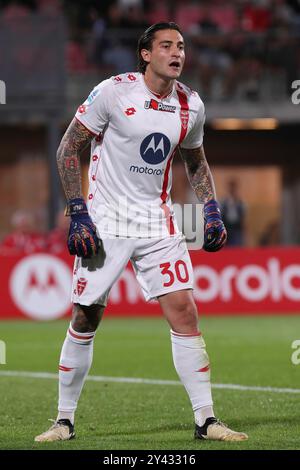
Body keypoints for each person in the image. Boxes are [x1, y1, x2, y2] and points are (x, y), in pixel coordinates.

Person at [35, 22, 247, 443]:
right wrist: (77, 210)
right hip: (105, 219)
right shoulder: (113, 91)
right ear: (146, 54)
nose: (177, 52)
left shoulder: (191, 105)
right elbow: (67, 148)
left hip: (157, 221)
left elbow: (196, 161)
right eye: (166, 45)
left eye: (182, 46)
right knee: (86, 314)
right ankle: (63, 421)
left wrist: (211, 209)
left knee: (185, 310)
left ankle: (206, 420)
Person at [220, 179, 246, 247]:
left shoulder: (241, 202)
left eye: (234, 187)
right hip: (226, 227)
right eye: (231, 187)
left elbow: (243, 218)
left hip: (236, 229)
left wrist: (245, 233)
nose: (232, 189)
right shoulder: (223, 202)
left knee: (236, 247)